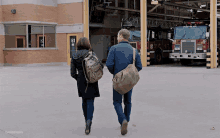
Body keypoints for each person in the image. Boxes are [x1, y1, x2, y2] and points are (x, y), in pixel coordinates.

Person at [106, 29, 142, 135]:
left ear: (121, 36)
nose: (117, 38)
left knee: (117, 101)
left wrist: (115, 74)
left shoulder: (114, 48)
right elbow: (139, 66)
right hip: (129, 81)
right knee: (128, 101)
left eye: (118, 36)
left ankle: (123, 120)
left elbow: (108, 64)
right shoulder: (134, 50)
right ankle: (126, 119)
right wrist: (130, 74)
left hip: (118, 80)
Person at [71, 37, 104, 135]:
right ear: (87, 44)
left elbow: (72, 73)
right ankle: (89, 120)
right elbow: (100, 66)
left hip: (81, 79)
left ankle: (86, 120)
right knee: (90, 101)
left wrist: (79, 79)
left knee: (84, 100)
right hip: (92, 79)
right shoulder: (92, 54)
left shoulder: (74, 55)